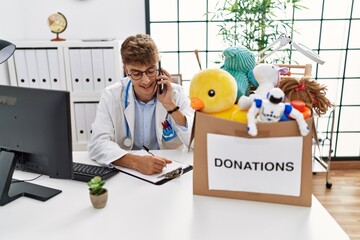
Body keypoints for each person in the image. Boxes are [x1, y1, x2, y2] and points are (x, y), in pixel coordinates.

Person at [88, 34, 194, 175]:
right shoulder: (111, 95)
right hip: (128, 171)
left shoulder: (176, 94)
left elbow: (194, 142)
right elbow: (97, 144)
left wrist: (170, 104)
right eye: (137, 73)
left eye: (151, 71)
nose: (146, 81)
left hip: (169, 169)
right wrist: (136, 162)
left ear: (159, 66)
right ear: (126, 70)